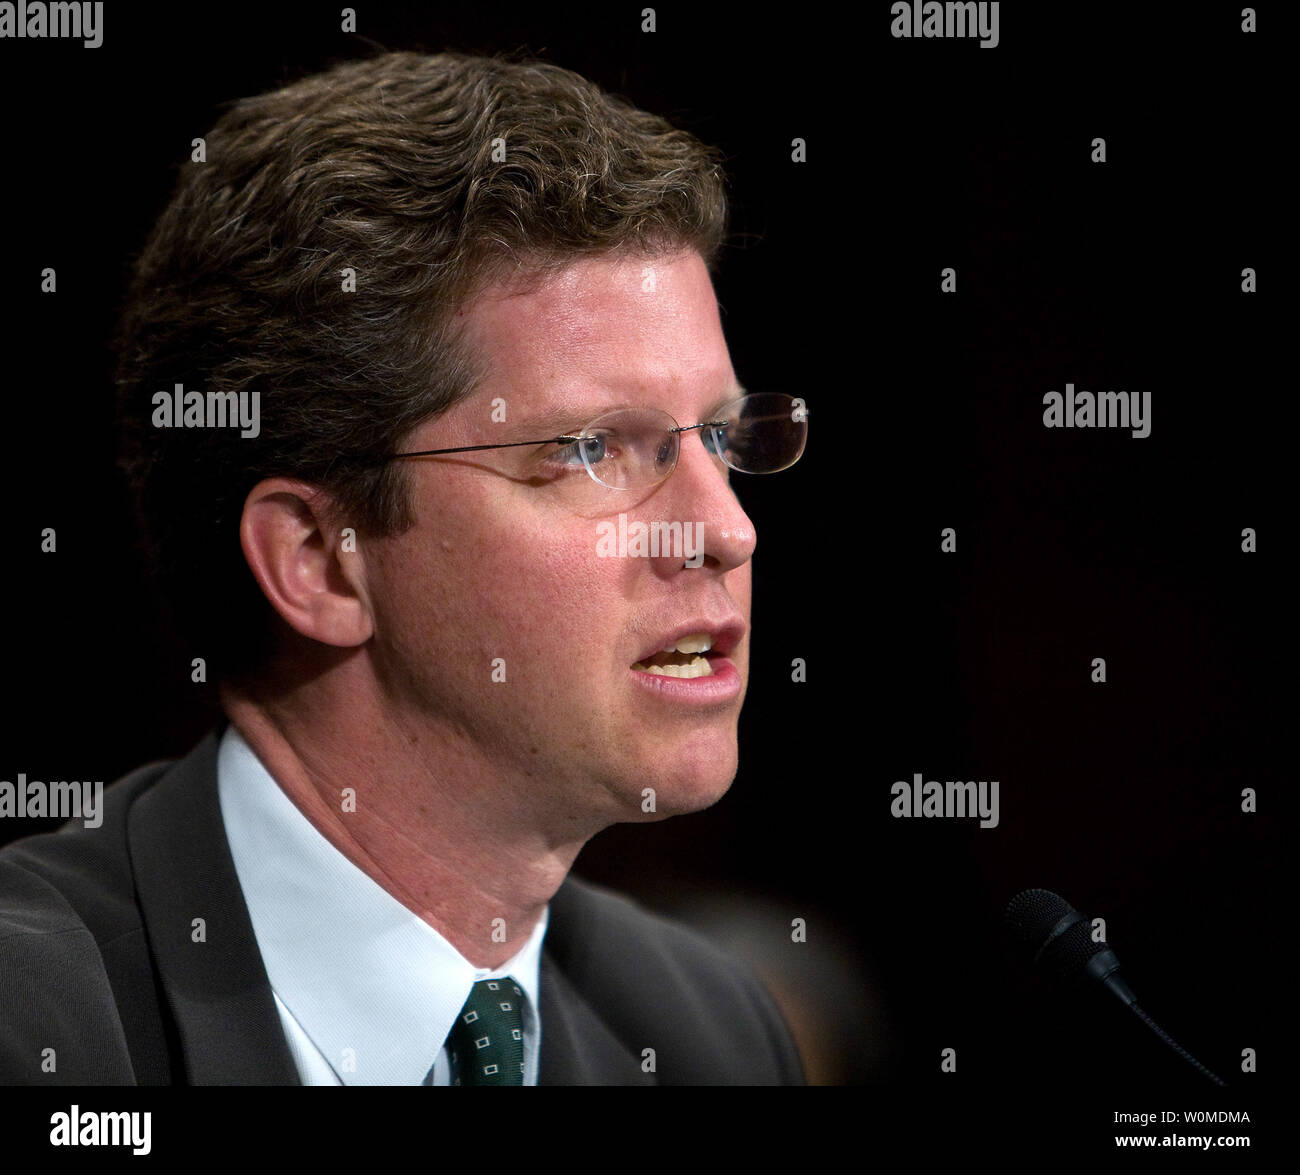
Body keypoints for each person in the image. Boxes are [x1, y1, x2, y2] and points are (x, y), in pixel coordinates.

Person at [0, 50, 807, 1085]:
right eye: (593, 448)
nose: (726, 530)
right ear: (319, 562)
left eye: (718, 435)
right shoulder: (37, 1027)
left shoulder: (708, 1030)